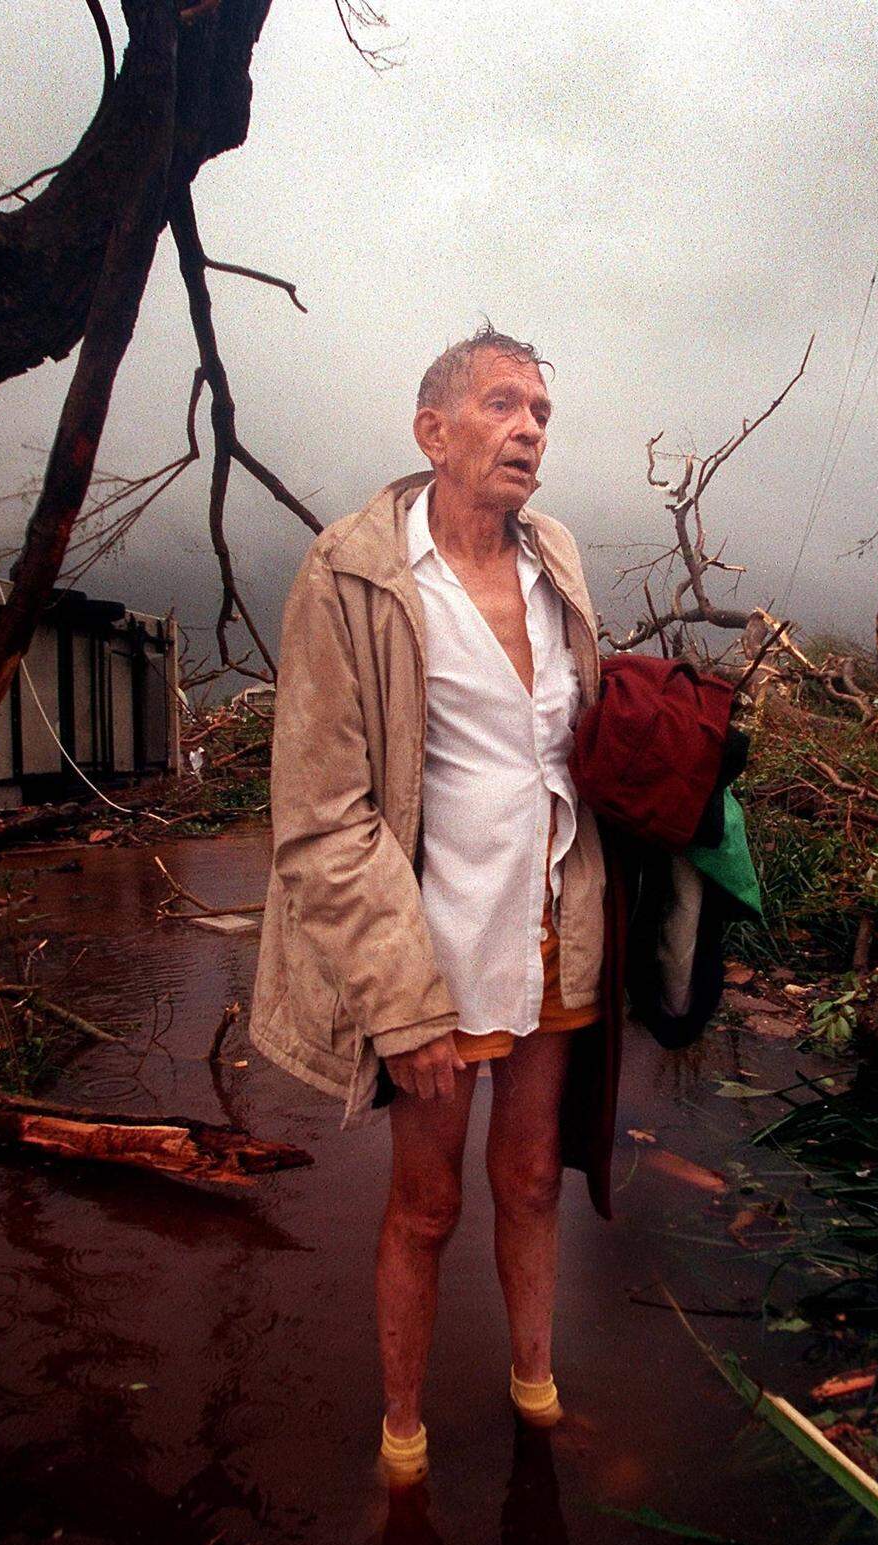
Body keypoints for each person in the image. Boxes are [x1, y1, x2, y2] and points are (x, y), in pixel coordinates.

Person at [249, 325, 606, 1478]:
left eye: (542, 412)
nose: (530, 429)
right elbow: (322, 813)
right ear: (434, 432)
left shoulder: (555, 557)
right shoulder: (353, 571)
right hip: (433, 948)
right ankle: (403, 1436)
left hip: (550, 923)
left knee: (534, 1174)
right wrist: (399, 1002)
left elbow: (565, 755)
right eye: (504, 404)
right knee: (425, 1199)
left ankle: (536, 1390)